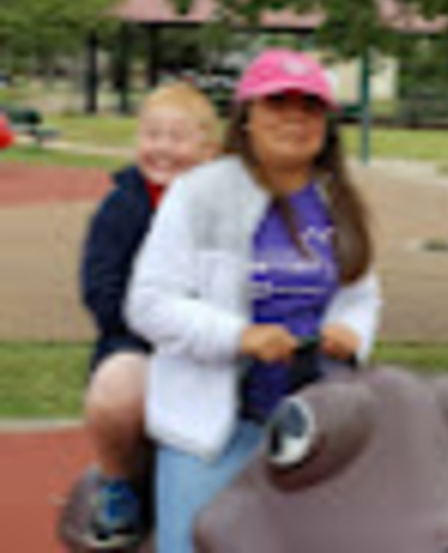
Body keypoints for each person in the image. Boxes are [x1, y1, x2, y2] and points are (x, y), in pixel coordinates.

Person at [125, 49, 382, 553]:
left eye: (309, 107)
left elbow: (360, 293)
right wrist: (238, 336)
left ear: (327, 124)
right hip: (213, 426)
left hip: (317, 424)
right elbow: (149, 303)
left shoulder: (338, 201)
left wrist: (352, 331)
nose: (294, 118)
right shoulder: (199, 193)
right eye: (277, 103)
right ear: (246, 117)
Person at [80, 81, 219, 549]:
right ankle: (117, 484)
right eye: (151, 135)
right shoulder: (123, 208)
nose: (162, 148)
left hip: (215, 344)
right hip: (141, 342)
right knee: (116, 390)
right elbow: (102, 290)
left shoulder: (226, 208)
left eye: (177, 137)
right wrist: (167, 330)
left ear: (209, 149)